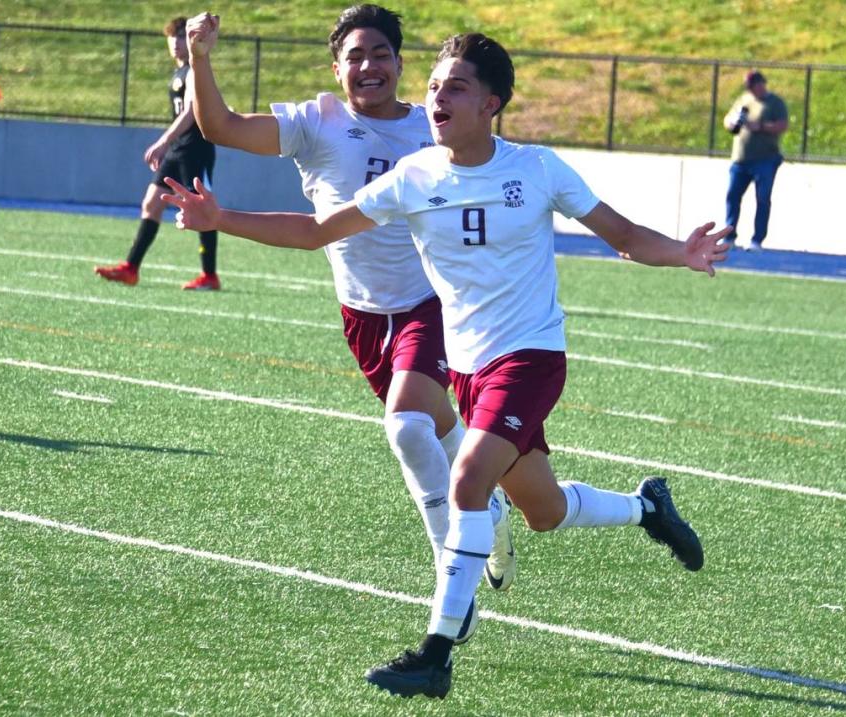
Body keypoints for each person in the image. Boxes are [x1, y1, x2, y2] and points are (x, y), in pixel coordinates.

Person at [162, 32, 729, 700]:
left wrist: (682, 252)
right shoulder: (415, 177)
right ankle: (646, 508)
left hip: (530, 356)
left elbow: (626, 238)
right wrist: (221, 217)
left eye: (454, 87)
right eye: (434, 86)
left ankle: (436, 649)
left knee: (465, 479)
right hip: (466, 366)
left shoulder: (537, 168)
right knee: (542, 510)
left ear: (491, 103)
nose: (437, 97)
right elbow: (316, 231)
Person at [182, 6, 518, 640]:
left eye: (381, 54)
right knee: (434, 427)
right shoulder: (316, 122)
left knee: (406, 425)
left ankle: (453, 574)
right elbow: (220, 126)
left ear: (399, 63)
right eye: (355, 57)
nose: (369, 66)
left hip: (430, 303)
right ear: (336, 69)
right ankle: (492, 504)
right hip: (362, 313)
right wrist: (199, 57)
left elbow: (495, 182)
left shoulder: (433, 129)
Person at [95, 16, 221, 290]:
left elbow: (190, 112)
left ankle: (210, 275)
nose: (176, 44)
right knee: (151, 204)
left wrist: (163, 141)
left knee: (202, 208)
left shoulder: (194, 71)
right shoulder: (179, 72)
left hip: (195, 149)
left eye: (181, 38)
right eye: (172, 38)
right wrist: (169, 144)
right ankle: (131, 268)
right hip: (178, 149)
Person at [722, 69, 789, 252]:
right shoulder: (744, 100)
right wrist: (733, 123)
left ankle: (757, 240)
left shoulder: (774, 103)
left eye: (752, 86)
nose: (750, 90)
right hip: (741, 159)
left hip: (765, 159)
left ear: (761, 84)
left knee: (762, 198)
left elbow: (782, 125)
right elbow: (728, 120)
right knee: (733, 196)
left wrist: (759, 126)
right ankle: (729, 237)